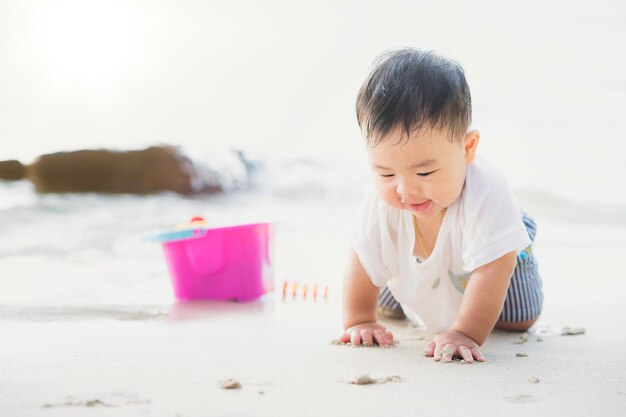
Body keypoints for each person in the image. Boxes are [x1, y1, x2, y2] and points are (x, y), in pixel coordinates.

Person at [339, 48, 543, 363]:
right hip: (420, 257)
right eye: (385, 172)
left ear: (467, 148)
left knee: (517, 319)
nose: (406, 188)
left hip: (496, 257)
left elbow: (494, 266)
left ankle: (470, 310)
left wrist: (464, 332)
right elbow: (363, 254)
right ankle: (416, 291)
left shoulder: (488, 191)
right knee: (387, 298)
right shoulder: (385, 201)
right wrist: (360, 319)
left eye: (425, 172)